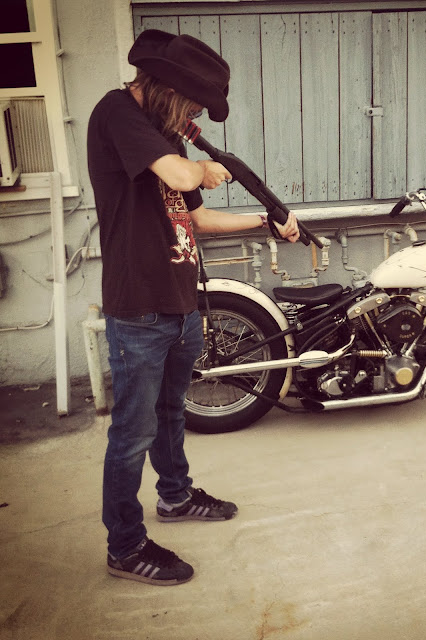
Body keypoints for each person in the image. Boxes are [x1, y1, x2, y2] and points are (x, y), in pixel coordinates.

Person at [87, 29, 299, 586]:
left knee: (170, 414)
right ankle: (125, 546)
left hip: (181, 301)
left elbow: (197, 218)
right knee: (132, 434)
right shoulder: (117, 113)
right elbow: (184, 177)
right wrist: (207, 168)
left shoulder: (164, 137)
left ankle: (176, 497)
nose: (194, 118)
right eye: (194, 106)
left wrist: (268, 221)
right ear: (168, 89)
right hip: (138, 307)